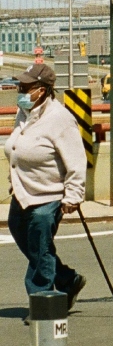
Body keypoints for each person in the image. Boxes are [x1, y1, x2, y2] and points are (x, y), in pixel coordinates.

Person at [5, 62, 87, 307]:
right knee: (22, 234)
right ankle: (67, 279)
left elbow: (76, 160)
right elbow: (19, 147)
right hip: (22, 192)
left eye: (25, 86)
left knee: (40, 243)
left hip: (48, 195)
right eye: (20, 85)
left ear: (41, 90)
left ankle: (42, 302)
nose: (20, 90)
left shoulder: (60, 118)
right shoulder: (25, 113)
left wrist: (73, 195)